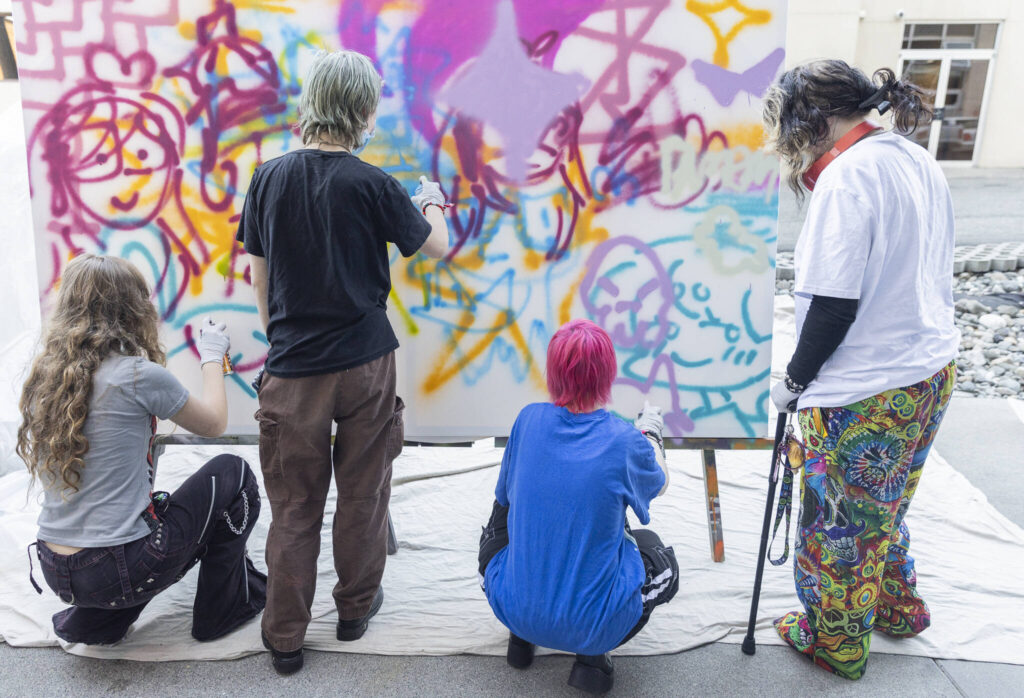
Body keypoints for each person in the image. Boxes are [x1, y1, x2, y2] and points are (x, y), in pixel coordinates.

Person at [235, 49, 450, 674]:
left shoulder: (267, 177)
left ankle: (285, 639)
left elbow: (260, 276)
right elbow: (433, 245)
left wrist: (282, 342)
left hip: (294, 370)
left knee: (295, 507)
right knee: (363, 493)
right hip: (365, 364)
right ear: (360, 111)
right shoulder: (373, 183)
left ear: (312, 105)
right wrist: (430, 200)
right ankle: (355, 611)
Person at [763, 60, 959, 680]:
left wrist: (793, 382)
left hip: (867, 390)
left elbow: (831, 306)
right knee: (886, 507)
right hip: (928, 373)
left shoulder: (847, 178)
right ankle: (896, 608)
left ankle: (837, 642)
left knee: (841, 527)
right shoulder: (911, 155)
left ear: (814, 121)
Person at [17, 254, 265, 646]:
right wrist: (212, 356)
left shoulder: (47, 378)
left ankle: (97, 622)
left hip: (55, 568)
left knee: (145, 520)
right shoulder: (136, 375)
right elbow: (214, 423)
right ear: (132, 309)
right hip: (115, 567)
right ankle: (222, 611)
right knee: (234, 473)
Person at [477, 319, 679, 695]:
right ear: (608, 374)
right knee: (658, 558)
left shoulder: (528, 419)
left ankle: (521, 637)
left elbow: (504, 498)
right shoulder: (624, 441)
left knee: (508, 510)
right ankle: (591, 658)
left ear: (552, 372)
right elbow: (660, 484)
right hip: (591, 624)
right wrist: (650, 435)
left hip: (509, 602)